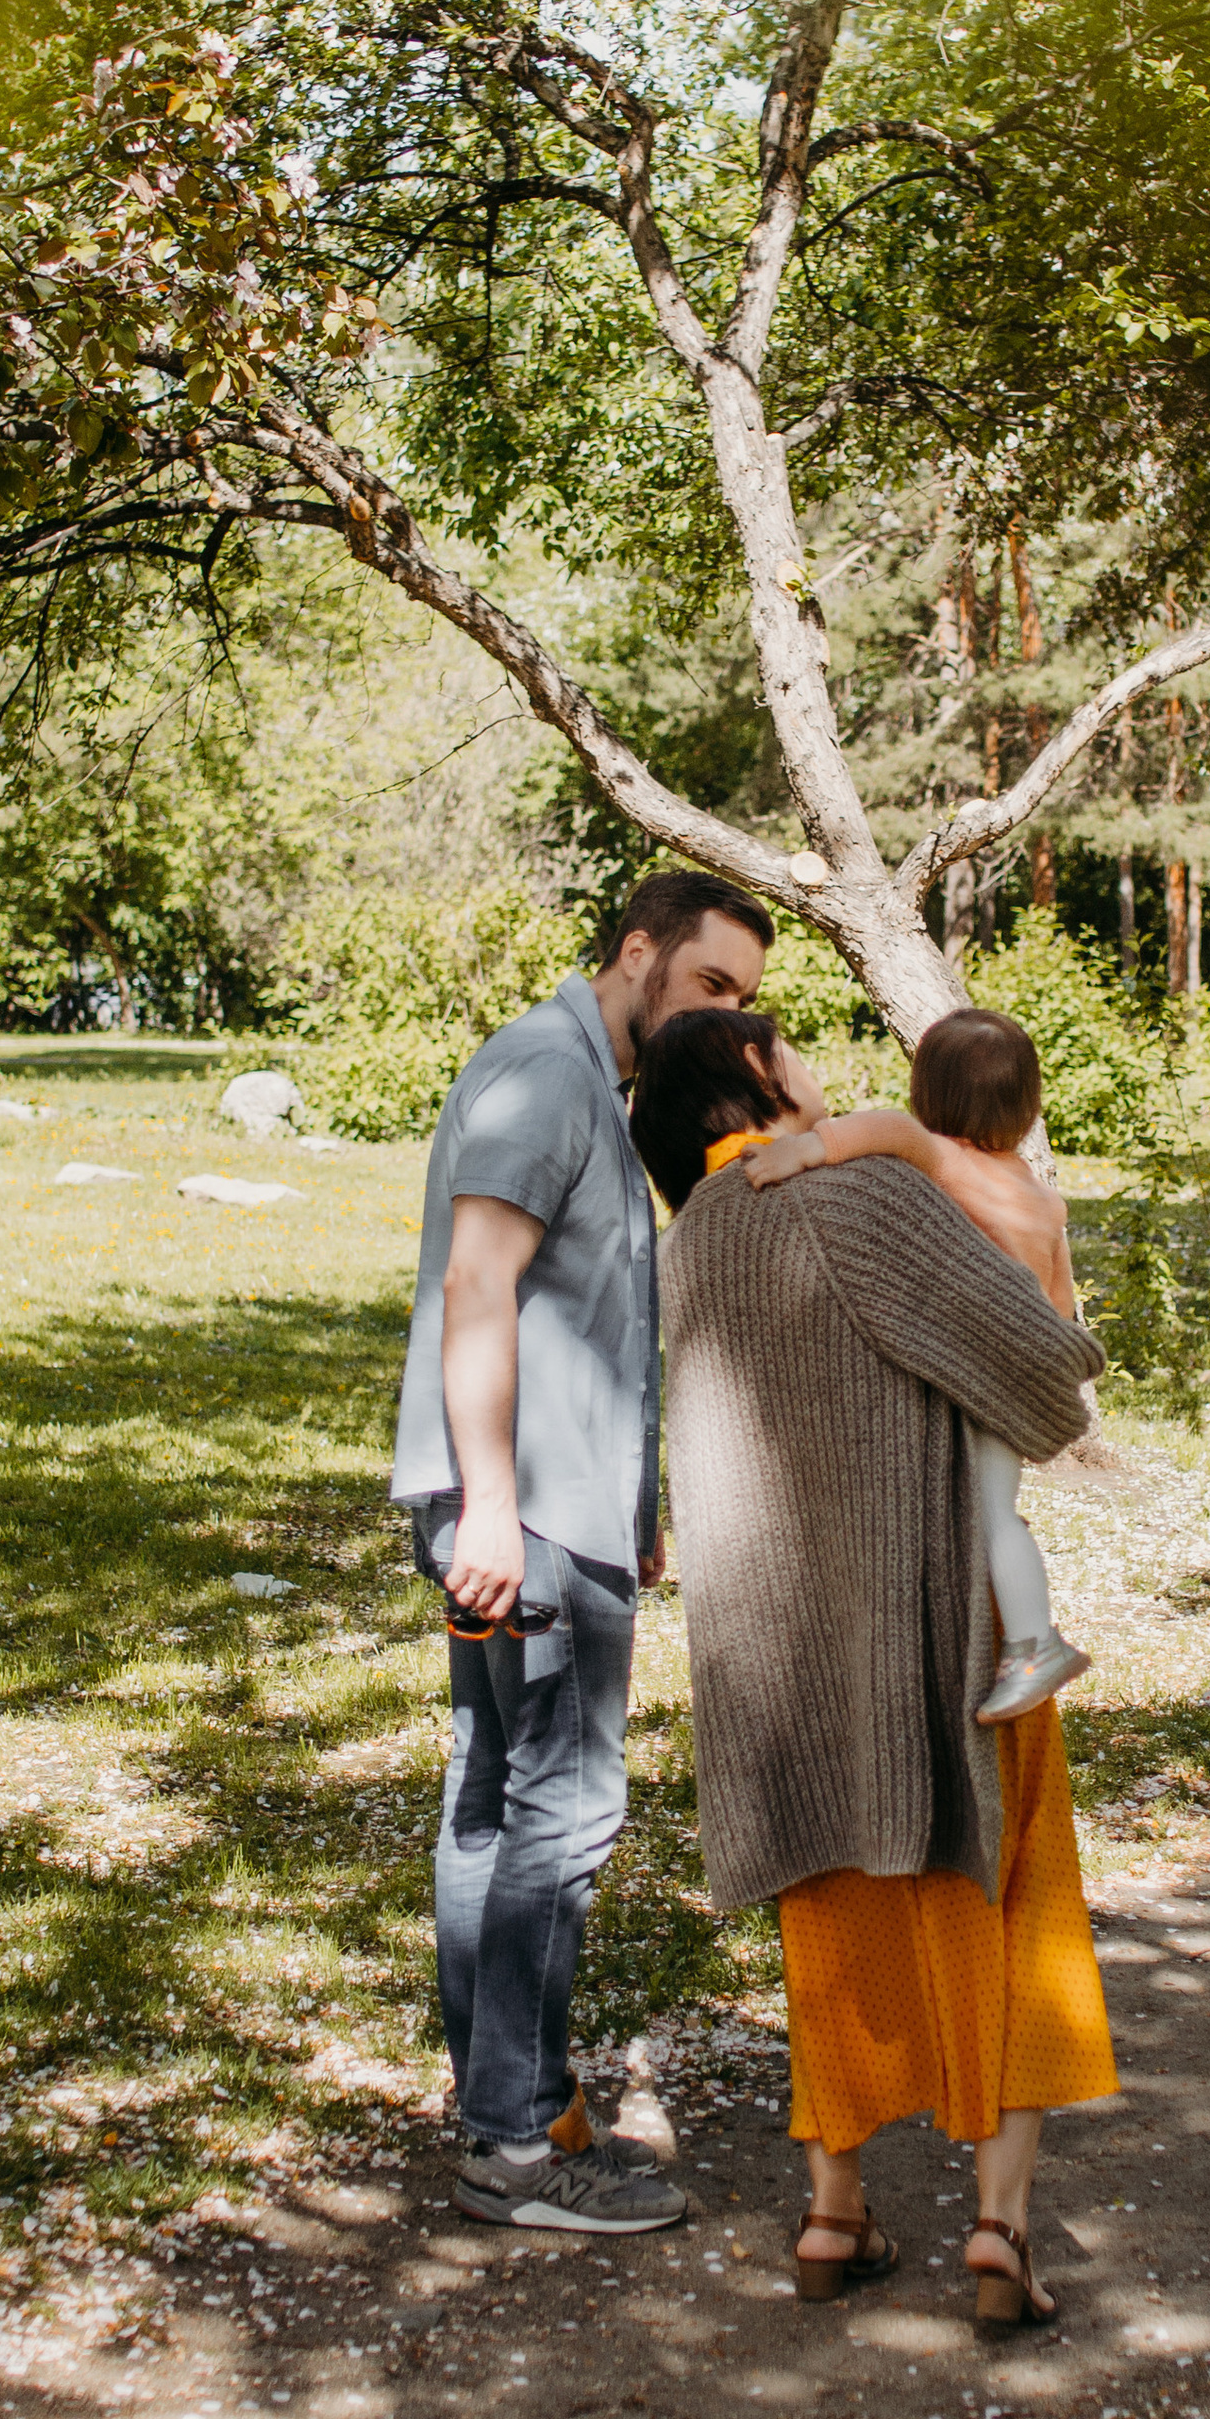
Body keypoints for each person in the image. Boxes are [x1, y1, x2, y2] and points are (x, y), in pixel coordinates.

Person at [629, 1006, 1117, 2329]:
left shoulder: (694, 1238)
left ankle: (834, 2213)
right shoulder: (862, 1199)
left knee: (832, 1922)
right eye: (788, 1044)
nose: (812, 1064)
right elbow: (1043, 1373)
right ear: (755, 1071)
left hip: (783, 1656)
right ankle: (999, 2228)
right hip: (941, 1624)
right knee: (1003, 1897)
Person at [392, 869, 774, 2231]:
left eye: (743, 998)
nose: (723, 1016)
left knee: (494, 1797)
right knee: (561, 1806)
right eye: (709, 983)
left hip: (561, 1503)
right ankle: (515, 2148)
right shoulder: (550, 1075)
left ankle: (509, 2107)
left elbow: (580, 1320)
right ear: (638, 951)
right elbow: (477, 1284)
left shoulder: (594, 1089)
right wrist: (494, 1503)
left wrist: (637, 1501)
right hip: (528, 1511)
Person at [741, 1005, 1088, 1723]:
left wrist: (803, 1151)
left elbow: (889, 1129)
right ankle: (1023, 1637)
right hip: (1010, 1374)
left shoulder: (942, 1155)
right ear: (1028, 1106)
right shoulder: (1041, 1195)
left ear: (929, 1094)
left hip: (976, 1376)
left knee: (991, 1516)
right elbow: (1058, 1310)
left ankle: (1035, 1644)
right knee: (993, 1509)